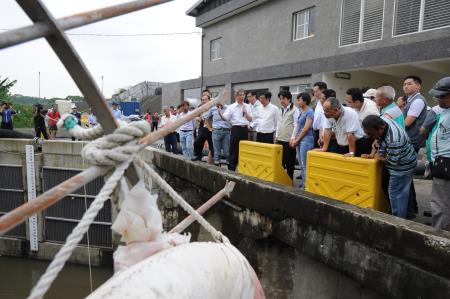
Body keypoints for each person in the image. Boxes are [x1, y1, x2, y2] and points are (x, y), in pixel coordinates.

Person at [361, 115, 417, 219]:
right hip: (407, 158)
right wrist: (375, 145)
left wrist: (377, 156)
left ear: (381, 128)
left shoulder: (394, 139)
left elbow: (392, 161)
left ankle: (397, 222)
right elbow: (378, 141)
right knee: (403, 192)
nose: (369, 136)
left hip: (402, 167)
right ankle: (408, 216)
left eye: (371, 133)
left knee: (396, 195)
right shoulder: (383, 120)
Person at [428, 77, 450, 231]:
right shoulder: (445, 111)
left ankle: (440, 237)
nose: (439, 100)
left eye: (443, 96)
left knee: (440, 204)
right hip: (440, 162)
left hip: (446, 163)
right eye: (438, 96)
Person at [219, 89, 252, 171]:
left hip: (245, 129)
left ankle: (243, 169)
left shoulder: (248, 106)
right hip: (235, 129)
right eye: (240, 95)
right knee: (233, 150)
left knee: (244, 150)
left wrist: (246, 113)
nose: (242, 97)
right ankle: (231, 169)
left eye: (243, 95)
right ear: (236, 96)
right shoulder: (231, 107)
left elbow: (251, 119)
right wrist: (220, 113)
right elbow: (225, 118)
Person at [290, 92, 314, 189]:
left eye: (299, 100)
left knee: (304, 164)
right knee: (301, 163)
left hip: (306, 139)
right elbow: (298, 126)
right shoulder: (302, 111)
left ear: (305, 101)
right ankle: (304, 183)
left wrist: (297, 141)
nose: (297, 102)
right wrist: (294, 139)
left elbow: (305, 129)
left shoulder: (309, 112)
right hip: (300, 140)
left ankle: (306, 186)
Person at [277, 90, 298, 180]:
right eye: (280, 99)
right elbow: (278, 123)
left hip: (289, 140)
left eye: (283, 98)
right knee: (279, 161)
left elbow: (296, 125)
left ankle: (289, 180)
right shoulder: (280, 109)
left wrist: (293, 138)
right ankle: (281, 179)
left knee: (289, 162)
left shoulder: (295, 109)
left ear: (289, 99)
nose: (281, 101)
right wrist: (276, 136)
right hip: (280, 139)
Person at [403, 75, 427, 152]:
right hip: (410, 140)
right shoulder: (411, 100)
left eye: (409, 84)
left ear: (418, 86)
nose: (406, 87)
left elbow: (406, 123)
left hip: (413, 141)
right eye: (404, 84)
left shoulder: (418, 101)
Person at [192, 94, 214, 163]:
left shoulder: (213, 107)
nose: (203, 101)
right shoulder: (201, 107)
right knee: (197, 142)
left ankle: (214, 161)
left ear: (209, 100)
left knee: (212, 146)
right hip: (203, 128)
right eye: (202, 100)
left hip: (211, 128)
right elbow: (195, 116)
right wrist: (198, 118)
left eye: (205, 99)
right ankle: (198, 156)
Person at [312, 82, 327, 148]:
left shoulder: (328, 104)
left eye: (316, 91)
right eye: (314, 92)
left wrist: (321, 135)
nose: (314, 94)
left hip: (325, 133)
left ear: (323, 90)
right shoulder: (318, 103)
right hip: (316, 132)